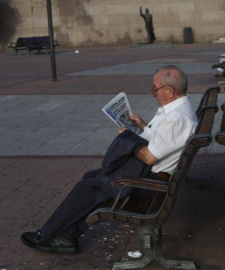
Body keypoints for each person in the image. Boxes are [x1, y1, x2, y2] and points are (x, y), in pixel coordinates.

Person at [20, 65, 198, 253]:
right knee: (92, 177)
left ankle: (47, 235)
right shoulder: (177, 110)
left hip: (152, 183)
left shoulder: (176, 118)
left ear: (169, 91)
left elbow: (149, 156)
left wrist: (129, 137)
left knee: (87, 187)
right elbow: (161, 140)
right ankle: (67, 236)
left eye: (155, 88)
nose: (153, 93)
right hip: (150, 175)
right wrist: (142, 126)